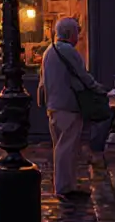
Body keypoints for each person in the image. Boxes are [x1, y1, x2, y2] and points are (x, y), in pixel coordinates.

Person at [38, 17, 103, 199]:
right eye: (77, 31)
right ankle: (64, 188)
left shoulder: (49, 51)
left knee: (60, 146)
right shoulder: (68, 51)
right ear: (70, 33)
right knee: (67, 148)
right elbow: (83, 76)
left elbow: (43, 80)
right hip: (68, 106)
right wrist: (99, 89)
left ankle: (65, 185)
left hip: (53, 106)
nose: (78, 35)